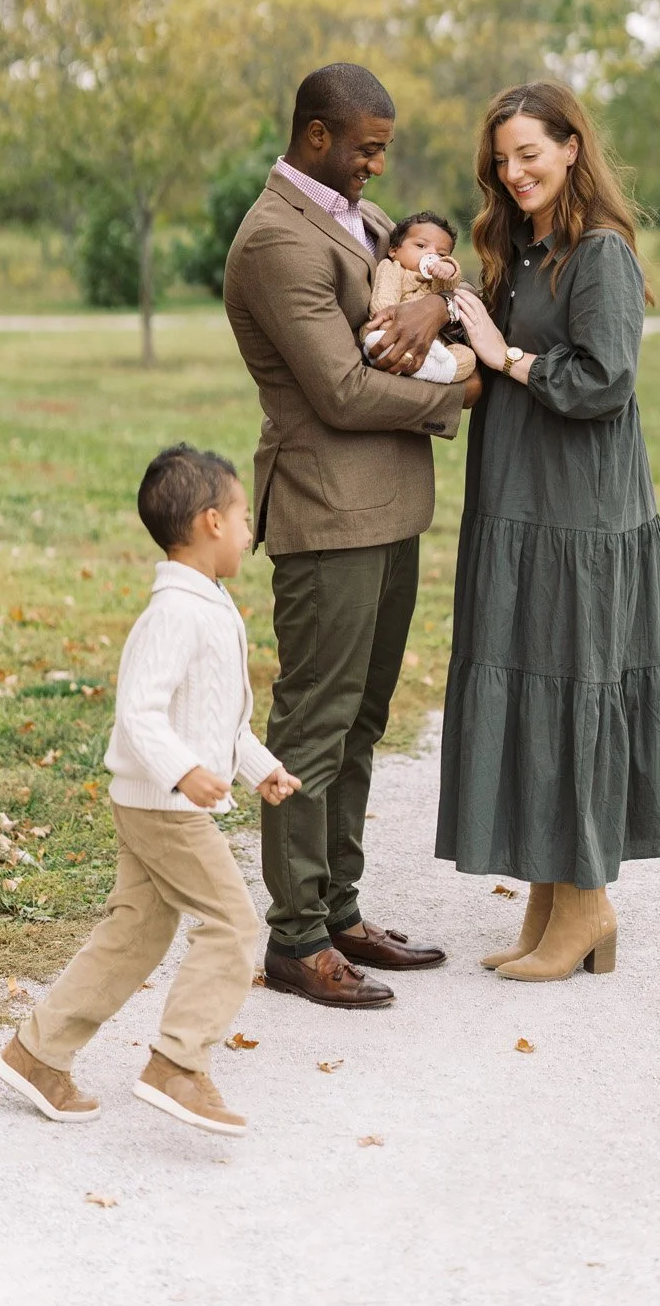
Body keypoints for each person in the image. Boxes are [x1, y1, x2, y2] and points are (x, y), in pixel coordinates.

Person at [440, 80, 660, 982]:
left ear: (570, 149)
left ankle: (589, 899)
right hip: (517, 499)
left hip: (577, 512)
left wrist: (508, 357)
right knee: (530, 677)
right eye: (501, 157)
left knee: (571, 678)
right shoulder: (519, 250)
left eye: (530, 152)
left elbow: (605, 380)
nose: (513, 170)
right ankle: (551, 893)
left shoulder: (597, 253)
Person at [223, 64, 481, 1009]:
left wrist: (434, 305)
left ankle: (337, 909)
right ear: (319, 134)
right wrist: (454, 392)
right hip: (326, 516)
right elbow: (339, 389)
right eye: (367, 145)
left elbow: (429, 282)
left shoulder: (352, 218)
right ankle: (292, 938)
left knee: (362, 722)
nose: (379, 162)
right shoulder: (274, 240)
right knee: (313, 728)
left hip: (389, 509)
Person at [0, 444, 300, 1135]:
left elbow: (215, 716)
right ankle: (178, 1065)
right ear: (209, 523)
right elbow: (139, 713)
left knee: (136, 933)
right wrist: (183, 772)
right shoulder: (176, 614)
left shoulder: (208, 603)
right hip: (164, 805)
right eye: (242, 515)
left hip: (154, 798)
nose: (250, 529)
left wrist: (259, 768)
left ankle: (37, 1053)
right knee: (233, 924)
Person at [363, 210, 477, 384]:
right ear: (394, 250)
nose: (431, 256)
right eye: (421, 246)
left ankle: (426, 368)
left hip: (433, 346)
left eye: (441, 254)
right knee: (373, 338)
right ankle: (417, 365)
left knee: (468, 358)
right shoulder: (393, 269)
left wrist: (449, 269)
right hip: (393, 331)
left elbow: (447, 293)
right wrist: (389, 323)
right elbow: (383, 301)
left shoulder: (435, 282)